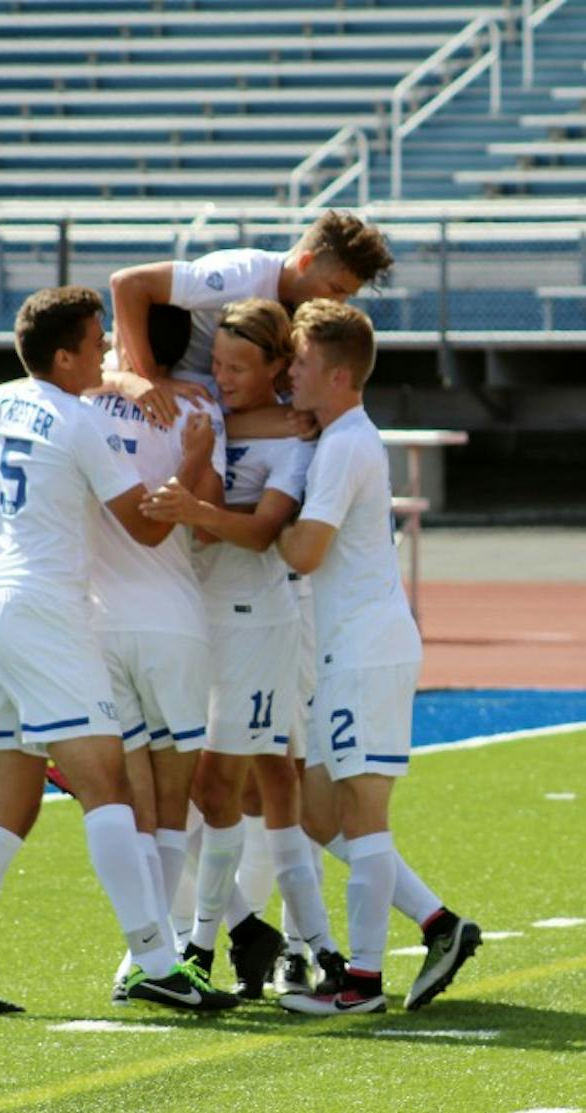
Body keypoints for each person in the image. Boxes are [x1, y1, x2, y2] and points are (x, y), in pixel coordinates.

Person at [0, 285, 237, 1015]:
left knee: (10, 807)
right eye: (95, 344)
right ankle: (157, 959)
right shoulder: (78, 420)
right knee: (109, 791)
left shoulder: (3, 402)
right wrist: (189, 465)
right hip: (45, 617)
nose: (107, 354)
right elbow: (150, 531)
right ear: (64, 357)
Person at [274, 300, 481, 1015]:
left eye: (299, 363)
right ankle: (439, 923)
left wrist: (241, 517)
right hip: (348, 649)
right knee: (318, 812)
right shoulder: (338, 437)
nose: (288, 373)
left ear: (336, 374)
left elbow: (303, 549)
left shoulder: (345, 444)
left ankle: (361, 982)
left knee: (362, 814)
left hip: (365, 649)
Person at [141, 298, 346, 998]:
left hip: (260, 619)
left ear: (277, 367)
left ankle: (222, 942)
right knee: (236, 780)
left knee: (244, 782)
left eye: (238, 366)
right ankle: (291, 940)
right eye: (217, 363)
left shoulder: (300, 437)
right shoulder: (211, 414)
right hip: (200, 617)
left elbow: (259, 533)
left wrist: (194, 501)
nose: (222, 376)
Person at [108, 210, 395, 425]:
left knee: (305, 425)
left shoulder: (307, 313)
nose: (337, 302)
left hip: (224, 406)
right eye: (335, 289)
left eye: (347, 295)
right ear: (306, 263)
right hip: (178, 394)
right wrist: (146, 381)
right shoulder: (238, 275)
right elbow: (127, 283)